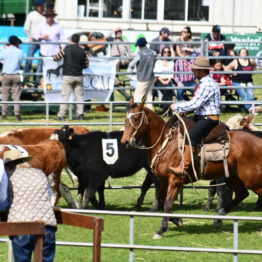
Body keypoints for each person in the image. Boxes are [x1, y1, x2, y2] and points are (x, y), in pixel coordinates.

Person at [169, 56, 220, 177]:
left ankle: (184, 167)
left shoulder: (207, 84)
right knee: (178, 124)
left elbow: (196, 103)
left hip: (209, 118)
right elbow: (198, 104)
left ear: (201, 71)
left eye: (195, 70)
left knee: (191, 136)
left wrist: (177, 107)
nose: (193, 71)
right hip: (201, 116)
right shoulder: (204, 82)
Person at [3, 149, 57, 262]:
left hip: (21, 226)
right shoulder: (40, 173)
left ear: (7, 165)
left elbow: (4, 201)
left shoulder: (8, 177)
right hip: (46, 224)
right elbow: (50, 196)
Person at [53, 34, 89, 121]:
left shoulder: (66, 49)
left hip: (68, 75)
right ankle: (80, 114)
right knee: (79, 96)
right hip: (79, 76)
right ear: (78, 41)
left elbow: (56, 58)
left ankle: (61, 115)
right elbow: (86, 65)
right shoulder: (82, 50)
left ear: (71, 40)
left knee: (65, 96)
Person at [35, 8, 65, 87]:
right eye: (48, 16)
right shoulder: (41, 25)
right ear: (45, 17)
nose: (49, 18)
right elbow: (36, 36)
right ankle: (37, 88)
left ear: (53, 17)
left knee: (54, 71)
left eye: (51, 16)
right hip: (43, 52)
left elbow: (62, 39)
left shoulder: (58, 26)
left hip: (54, 53)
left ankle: (53, 86)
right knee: (39, 70)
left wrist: (62, 50)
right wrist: (42, 37)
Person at [224, 48, 259, 114]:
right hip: (237, 82)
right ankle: (251, 109)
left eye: (245, 52)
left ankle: (250, 108)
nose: (244, 54)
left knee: (250, 96)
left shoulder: (250, 60)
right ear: (239, 54)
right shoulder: (235, 61)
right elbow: (226, 68)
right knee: (244, 96)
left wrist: (251, 70)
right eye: (242, 53)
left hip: (248, 82)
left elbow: (254, 65)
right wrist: (231, 73)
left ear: (247, 54)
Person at [127, 37, 156, 110]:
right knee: (149, 96)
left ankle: (137, 112)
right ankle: (150, 112)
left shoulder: (140, 54)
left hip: (142, 78)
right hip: (151, 77)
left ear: (140, 46)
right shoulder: (153, 52)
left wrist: (131, 73)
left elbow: (131, 64)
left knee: (137, 97)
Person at [0, 35, 23, 121]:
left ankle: (4, 114)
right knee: (16, 95)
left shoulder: (5, 50)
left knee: (5, 95)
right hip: (16, 74)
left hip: (6, 74)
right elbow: (20, 62)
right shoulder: (19, 51)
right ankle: (17, 114)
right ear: (16, 43)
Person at [23, 0, 46, 86]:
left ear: (43, 6)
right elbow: (26, 27)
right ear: (36, 6)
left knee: (41, 61)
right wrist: (29, 37)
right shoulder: (32, 14)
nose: (40, 7)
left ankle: (37, 82)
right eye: (39, 5)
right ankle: (25, 80)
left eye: (41, 5)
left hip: (43, 41)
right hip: (33, 39)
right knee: (29, 59)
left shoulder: (45, 16)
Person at [153, 47, 174, 113]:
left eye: (168, 52)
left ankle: (164, 106)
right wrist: (162, 81)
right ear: (162, 53)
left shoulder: (171, 62)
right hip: (160, 80)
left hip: (169, 80)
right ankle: (167, 109)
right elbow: (156, 73)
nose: (166, 53)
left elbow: (172, 73)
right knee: (166, 90)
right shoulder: (158, 62)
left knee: (170, 90)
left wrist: (168, 80)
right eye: (164, 52)